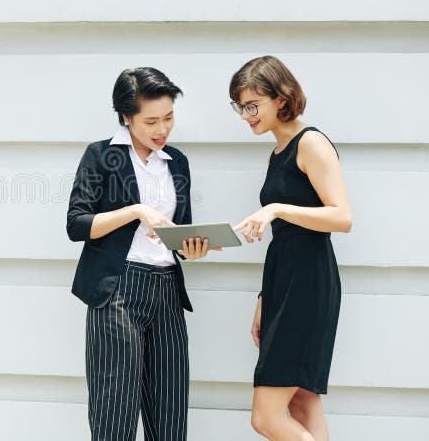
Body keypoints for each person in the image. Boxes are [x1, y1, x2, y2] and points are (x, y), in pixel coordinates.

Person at [66, 67, 219, 441]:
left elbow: (178, 231)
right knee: (114, 416)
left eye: (169, 117)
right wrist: (136, 211)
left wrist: (192, 248)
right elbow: (76, 224)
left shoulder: (176, 161)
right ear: (126, 117)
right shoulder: (101, 155)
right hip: (118, 291)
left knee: (170, 417)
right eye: (151, 121)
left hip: (167, 293)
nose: (162, 129)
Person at [229, 56, 352, 441]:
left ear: (281, 98)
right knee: (302, 404)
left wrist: (277, 208)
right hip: (283, 280)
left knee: (265, 418)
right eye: (239, 107)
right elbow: (283, 237)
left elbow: (342, 217)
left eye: (252, 106)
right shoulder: (277, 152)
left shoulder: (310, 143)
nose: (245, 115)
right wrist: (263, 299)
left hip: (308, 283)